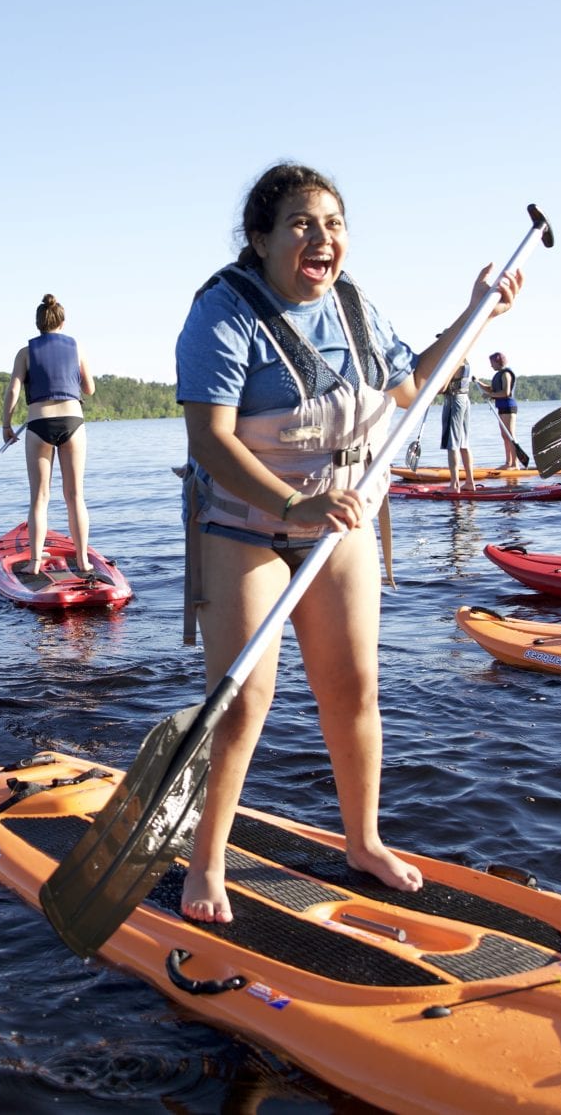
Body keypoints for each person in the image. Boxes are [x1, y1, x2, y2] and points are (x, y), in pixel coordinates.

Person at [175, 161, 522, 924]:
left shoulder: (358, 307)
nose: (321, 237)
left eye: (333, 223)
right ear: (261, 239)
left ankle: (362, 840)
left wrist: (477, 317)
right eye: (301, 223)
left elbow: (412, 385)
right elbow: (211, 439)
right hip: (245, 523)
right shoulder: (223, 315)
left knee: (353, 686)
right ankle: (206, 861)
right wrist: (295, 503)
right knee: (243, 700)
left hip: (340, 521)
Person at [2, 294, 96, 576]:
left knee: (39, 498)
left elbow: (14, 391)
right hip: (72, 422)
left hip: (39, 425)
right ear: (62, 322)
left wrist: (6, 424)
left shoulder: (25, 353)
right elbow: (89, 389)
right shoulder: (76, 347)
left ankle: (34, 562)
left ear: (37, 324)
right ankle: (83, 560)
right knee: (75, 496)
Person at [480, 351, 525, 469]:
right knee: (504, 435)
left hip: (509, 407)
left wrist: (490, 396)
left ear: (498, 361)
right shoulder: (498, 374)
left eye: (492, 363)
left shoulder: (506, 374)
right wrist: (478, 383)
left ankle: (515, 464)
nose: (491, 365)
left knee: (510, 435)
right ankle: (508, 463)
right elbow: (491, 389)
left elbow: (506, 392)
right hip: (501, 407)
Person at [437, 359, 476, 490]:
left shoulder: (454, 361)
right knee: (464, 442)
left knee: (452, 442)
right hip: (464, 399)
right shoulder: (465, 361)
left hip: (454, 401)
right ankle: (470, 482)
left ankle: (455, 484)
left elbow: (443, 387)